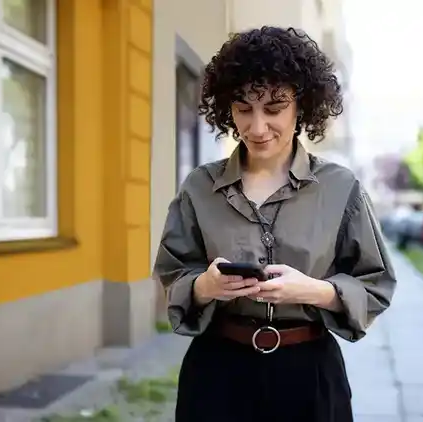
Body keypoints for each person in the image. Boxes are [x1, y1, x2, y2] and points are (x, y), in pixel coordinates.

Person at [153, 26, 396, 422]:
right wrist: (205, 286)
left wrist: (317, 291)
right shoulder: (200, 186)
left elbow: (376, 284)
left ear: (302, 106)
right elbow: (174, 271)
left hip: (310, 376)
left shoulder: (341, 187)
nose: (257, 126)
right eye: (244, 108)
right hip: (217, 374)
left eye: (274, 107)